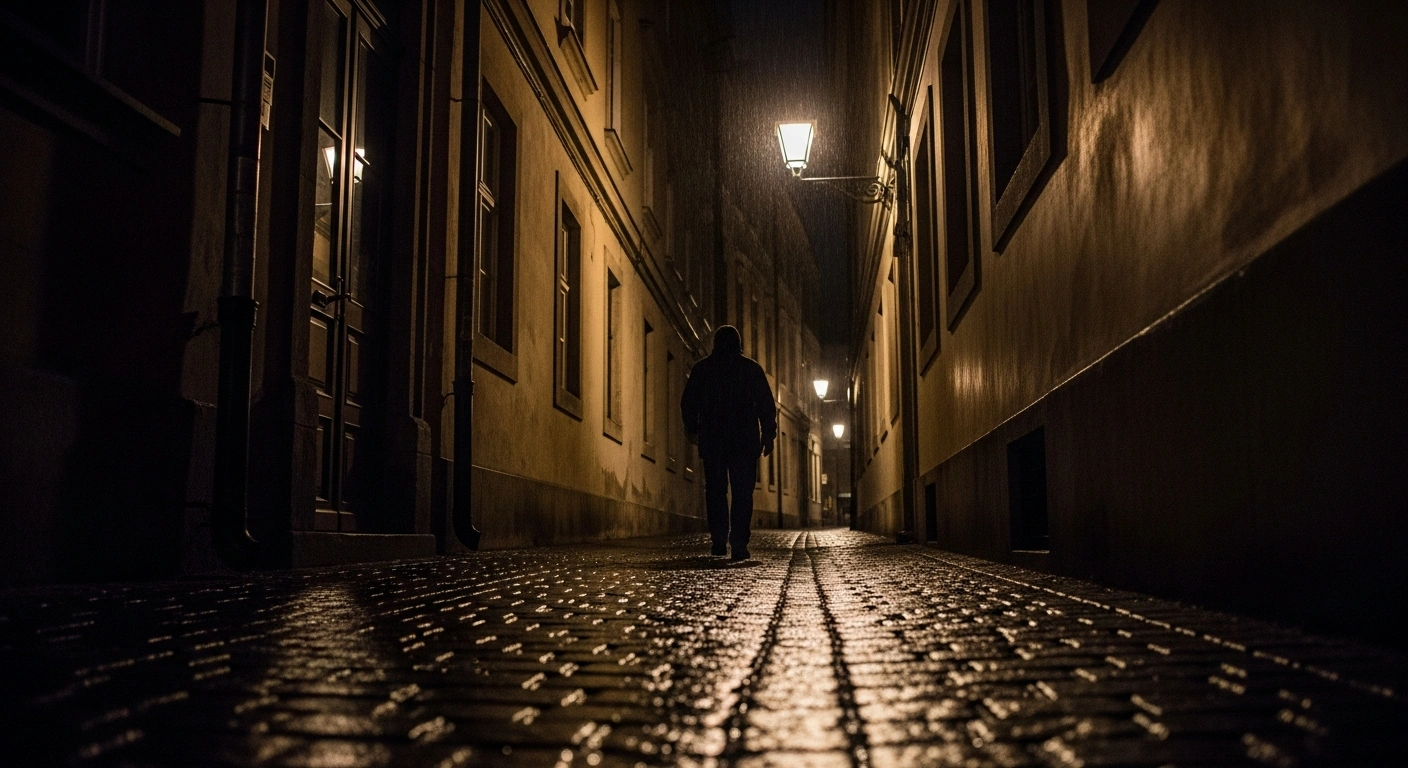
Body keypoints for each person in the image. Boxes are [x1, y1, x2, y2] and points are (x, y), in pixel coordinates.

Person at [680, 325, 777, 560]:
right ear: (739, 344)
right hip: (744, 440)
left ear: (715, 344)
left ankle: (719, 540)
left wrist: (693, 429)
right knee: (743, 493)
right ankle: (739, 542)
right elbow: (766, 405)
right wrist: (768, 435)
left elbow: (688, 403)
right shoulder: (751, 369)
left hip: (714, 440)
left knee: (715, 491)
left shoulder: (703, 369)